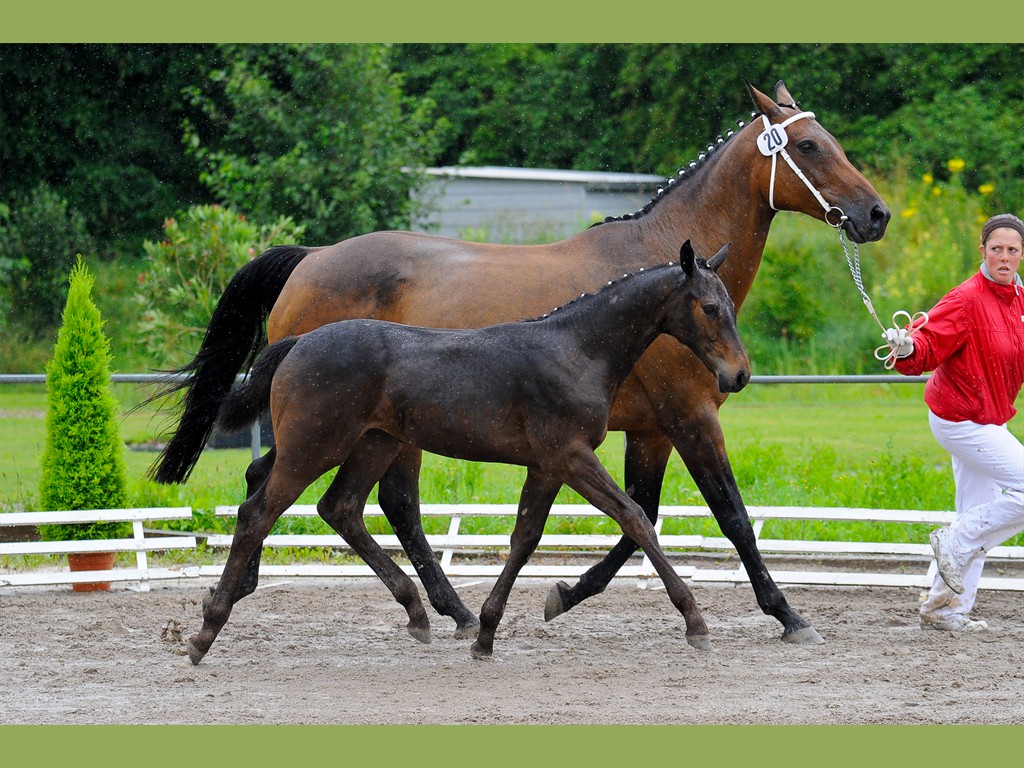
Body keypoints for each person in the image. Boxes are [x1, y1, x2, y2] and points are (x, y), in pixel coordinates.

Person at [882, 212, 1024, 631]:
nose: (1003, 256)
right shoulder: (965, 299)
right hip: (960, 420)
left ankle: (946, 609)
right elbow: (927, 342)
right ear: (982, 251)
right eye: (995, 248)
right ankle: (956, 540)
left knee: (980, 512)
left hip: (988, 419)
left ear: (1021, 255)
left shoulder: (1020, 302)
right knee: (990, 515)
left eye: (1011, 250)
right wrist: (908, 347)